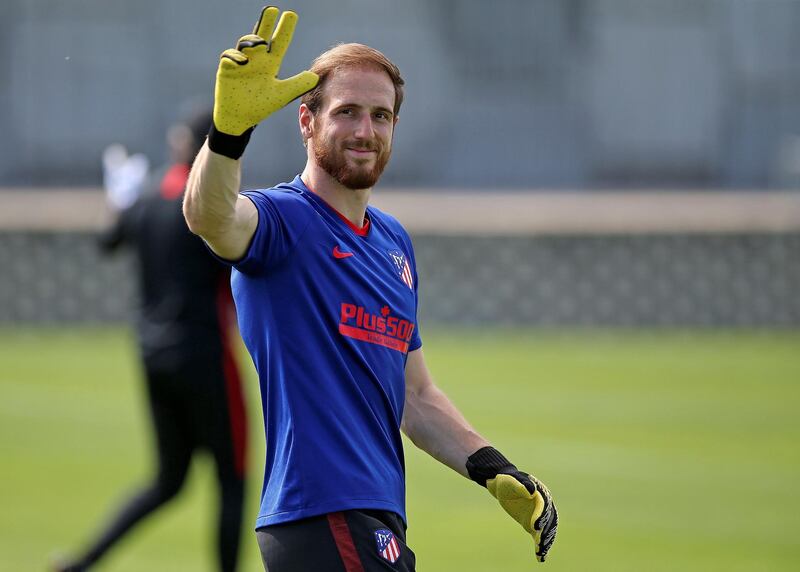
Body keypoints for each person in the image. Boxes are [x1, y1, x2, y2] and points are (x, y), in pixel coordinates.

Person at [183, 7, 558, 570]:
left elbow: (416, 396)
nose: (365, 131)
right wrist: (228, 134)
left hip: (374, 516)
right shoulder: (283, 221)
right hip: (321, 513)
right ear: (306, 121)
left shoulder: (393, 242)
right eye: (347, 113)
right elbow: (210, 217)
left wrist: (493, 468)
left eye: (380, 116)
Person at [54, 105, 248, 572]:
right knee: (233, 479)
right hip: (206, 356)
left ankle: (82, 563)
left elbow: (107, 241)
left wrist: (118, 200)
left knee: (169, 479)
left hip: (152, 355)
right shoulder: (209, 211)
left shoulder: (144, 201)